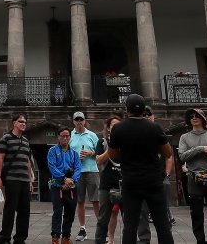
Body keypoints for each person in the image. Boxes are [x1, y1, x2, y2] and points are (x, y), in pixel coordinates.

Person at [108, 94, 174, 244]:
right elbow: (168, 152)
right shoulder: (154, 127)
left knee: (130, 225)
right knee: (162, 224)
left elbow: (112, 155)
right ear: (144, 110)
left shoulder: (118, 128)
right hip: (153, 181)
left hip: (130, 181)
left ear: (127, 109)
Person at [178, 108, 207, 244]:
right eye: (191, 116)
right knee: (196, 214)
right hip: (193, 179)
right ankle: (200, 241)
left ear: (202, 118)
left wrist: (193, 152)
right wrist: (201, 149)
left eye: (197, 115)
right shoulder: (184, 137)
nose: (194, 118)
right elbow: (182, 156)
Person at [0, 113, 35, 244]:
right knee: (10, 210)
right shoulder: (6, 138)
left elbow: (28, 161)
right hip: (12, 179)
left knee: (25, 211)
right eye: (21, 121)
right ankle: (5, 238)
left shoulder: (26, 140)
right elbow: (0, 159)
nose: (23, 124)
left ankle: (20, 239)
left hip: (24, 180)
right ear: (14, 123)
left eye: (25, 122)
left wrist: (30, 180)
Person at [69, 111, 100, 242]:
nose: (79, 122)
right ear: (73, 121)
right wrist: (75, 158)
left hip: (92, 170)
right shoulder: (69, 135)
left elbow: (100, 154)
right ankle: (82, 229)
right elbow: (66, 153)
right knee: (80, 201)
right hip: (77, 172)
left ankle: (101, 227)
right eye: (77, 120)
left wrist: (90, 153)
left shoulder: (92, 135)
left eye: (81, 119)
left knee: (96, 200)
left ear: (85, 120)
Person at [49, 127, 82, 244]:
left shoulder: (74, 153)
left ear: (70, 137)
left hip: (71, 187)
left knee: (70, 212)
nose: (65, 138)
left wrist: (71, 180)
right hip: (57, 186)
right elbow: (52, 167)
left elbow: (78, 168)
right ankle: (56, 236)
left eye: (67, 136)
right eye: (62, 136)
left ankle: (66, 236)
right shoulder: (52, 151)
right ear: (58, 137)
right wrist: (63, 179)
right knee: (57, 211)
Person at [94, 113, 123, 244]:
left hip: (124, 184)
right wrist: (111, 146)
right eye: (113, 126)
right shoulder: (103, 142)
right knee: (102, 219)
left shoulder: (128, 142)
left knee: (129, 219)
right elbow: (98, 160)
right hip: (107, 185)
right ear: (108, 128)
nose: (116, 128)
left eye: (118, 126)